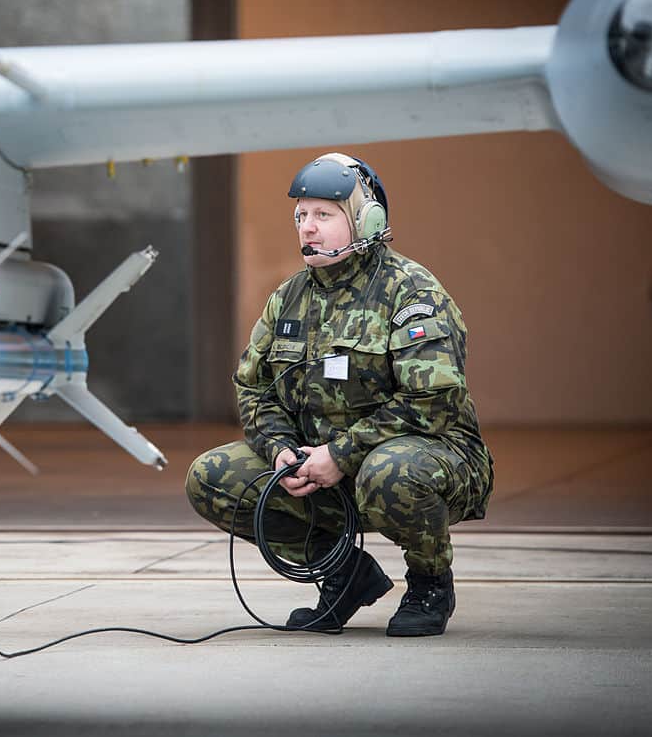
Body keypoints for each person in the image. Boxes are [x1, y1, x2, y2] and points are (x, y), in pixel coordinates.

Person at [185, 152, 493, 637]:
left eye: (324, 215)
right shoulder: (288, 298)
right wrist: (281, 450)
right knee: (213, 477)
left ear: (367, 220)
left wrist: (342, 453)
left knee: (388, 472)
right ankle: (343, 575)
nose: (308, 227)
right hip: (324, 465)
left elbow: (431, 401)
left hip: (432, 460)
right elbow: (253, 387)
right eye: (301, 216)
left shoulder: (411, 292)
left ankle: (430, 582)